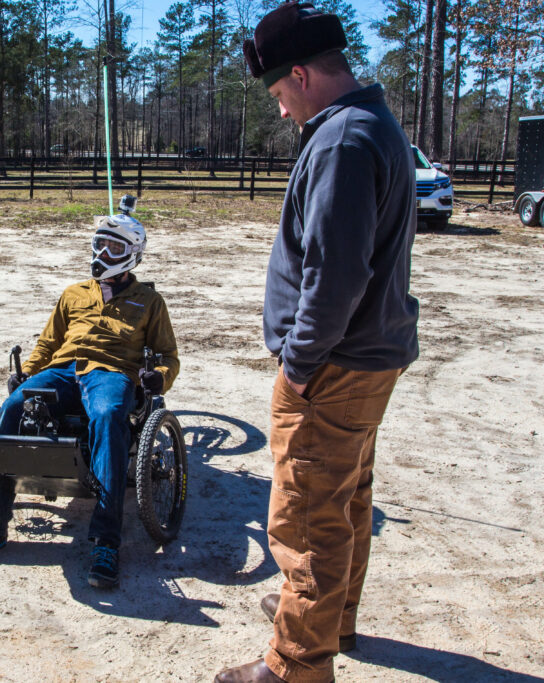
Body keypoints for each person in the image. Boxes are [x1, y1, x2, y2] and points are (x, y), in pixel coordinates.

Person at [215, 3, 420, 682]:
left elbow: (335, 277)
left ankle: (295, 665)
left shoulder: (341, 141)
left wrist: (298, 367)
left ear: (300, 74)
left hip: (331, 366)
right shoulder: (374, 125)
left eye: (278, 95)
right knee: (346, 498)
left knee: (306, 517)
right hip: (369, 357)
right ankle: (330, 617)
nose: (280, 111)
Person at [0, 205, 179, 589]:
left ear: (132, 255)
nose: (102, 254)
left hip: (111, 374)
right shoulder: (73, 294)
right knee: (11, 408)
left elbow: (169, 356)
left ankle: (106, 542)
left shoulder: (149, 302)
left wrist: (160, 377)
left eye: (112, 248)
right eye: (99, 244)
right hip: (64, 368)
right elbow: (48, 343)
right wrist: (26, 373)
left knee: (107, 418)